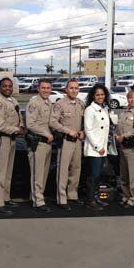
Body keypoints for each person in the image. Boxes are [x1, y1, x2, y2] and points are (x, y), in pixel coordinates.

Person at [0, 78, 25, 214]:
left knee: (8, 172)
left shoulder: (13, 100)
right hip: (2, 139)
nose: (8, 88)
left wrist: (21, 126)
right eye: (5, 86)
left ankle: (5, 198)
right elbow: (0, 125)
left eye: (10, 86)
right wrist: (17, 130)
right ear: (0, 88)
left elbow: (19, 117)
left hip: (12, 140)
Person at [49, 79, 85, 210]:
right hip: (65, 141)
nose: (74, 90)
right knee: (63, 170)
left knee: (76, 169)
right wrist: (67, 130)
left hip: (77, 142)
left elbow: (84, 122)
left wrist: (83, 132)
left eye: (76, 88)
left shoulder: (81, 104)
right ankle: (61, 198)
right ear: (66, 89)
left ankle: (72, 195)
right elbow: (53, 122)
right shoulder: (60, 104)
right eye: (71, 88)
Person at [26, 79, 54, 213]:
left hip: (47, 143)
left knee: (43, 174)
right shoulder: (34, 103)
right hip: (38, 143)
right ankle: (38, 201)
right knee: (37, 174)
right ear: (38, 89)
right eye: (43, 88)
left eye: (48, 88)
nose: (46, 90)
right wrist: (46, 134)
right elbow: (30, 124)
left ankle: (36, 197)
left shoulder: (49, 103)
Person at [83, 84, 111, 210]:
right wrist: (97, 146)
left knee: (98, 175)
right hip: (95, 149)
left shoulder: (104, 108)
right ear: (93, 96)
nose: (100, 97)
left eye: (102, 94)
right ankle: (89, 200)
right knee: (93, 175)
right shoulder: (90, 109)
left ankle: (95, 197)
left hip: (103, 148)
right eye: (97, 95)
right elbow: (88, 130)